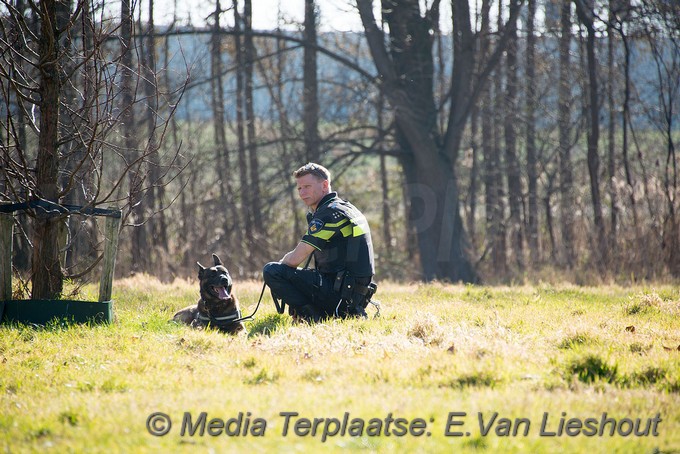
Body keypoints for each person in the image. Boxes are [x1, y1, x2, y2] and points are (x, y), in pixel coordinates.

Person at [263, 162, 377, 322]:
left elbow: (295, 259)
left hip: (341, 296)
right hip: (353, 295)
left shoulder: (328, 215)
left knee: (272, 271)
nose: (302, 193)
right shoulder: (345, 208)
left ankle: (312, 316)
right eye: (299, 188)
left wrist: (282, 264)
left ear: (324, 185)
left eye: (307, 187)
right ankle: (324, 313)